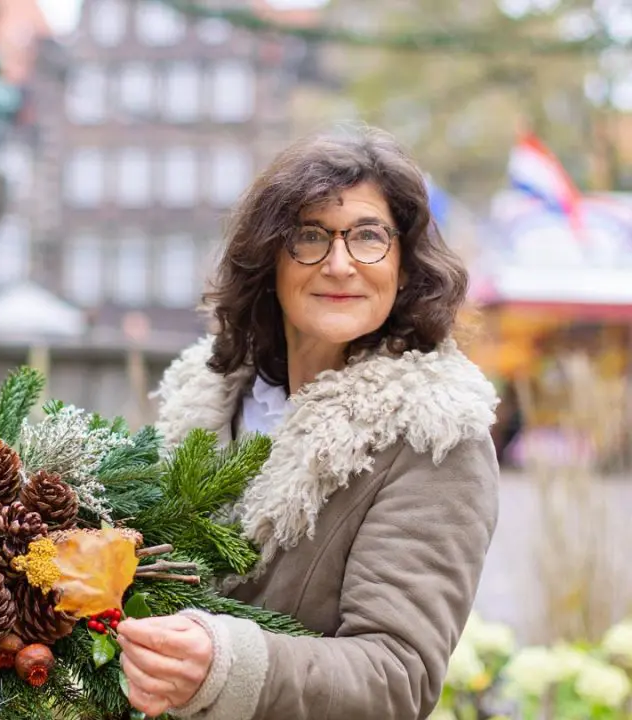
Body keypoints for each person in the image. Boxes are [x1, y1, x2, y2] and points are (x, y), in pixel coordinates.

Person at [116, 126, 500, 720]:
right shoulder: (201, 398)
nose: (340, 264)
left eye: (368, 236)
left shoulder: (435, 433)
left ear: (404, 263)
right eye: (311, 237)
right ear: (269, 258)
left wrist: (226, 667)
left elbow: (397, 675)